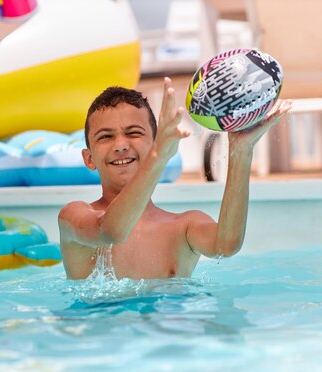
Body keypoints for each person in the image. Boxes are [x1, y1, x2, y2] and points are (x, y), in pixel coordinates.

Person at [58, 77, 292, 279]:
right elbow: (111, 232)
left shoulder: (184, 227)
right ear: (89, 159)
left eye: (134, 133)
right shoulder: (74, 217)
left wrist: (241, 151)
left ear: (154, 143)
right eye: (106, 137)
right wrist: (157, 157)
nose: (121, 145)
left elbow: (226, 246)